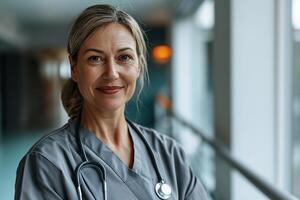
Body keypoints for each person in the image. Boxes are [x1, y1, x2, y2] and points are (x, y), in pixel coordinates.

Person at [14, 4, 208, 200]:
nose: (111, 73)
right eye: (95, 58)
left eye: (124, 57)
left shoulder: (169, 154)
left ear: (138, 66)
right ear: (74, 67)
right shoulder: (47, 162)